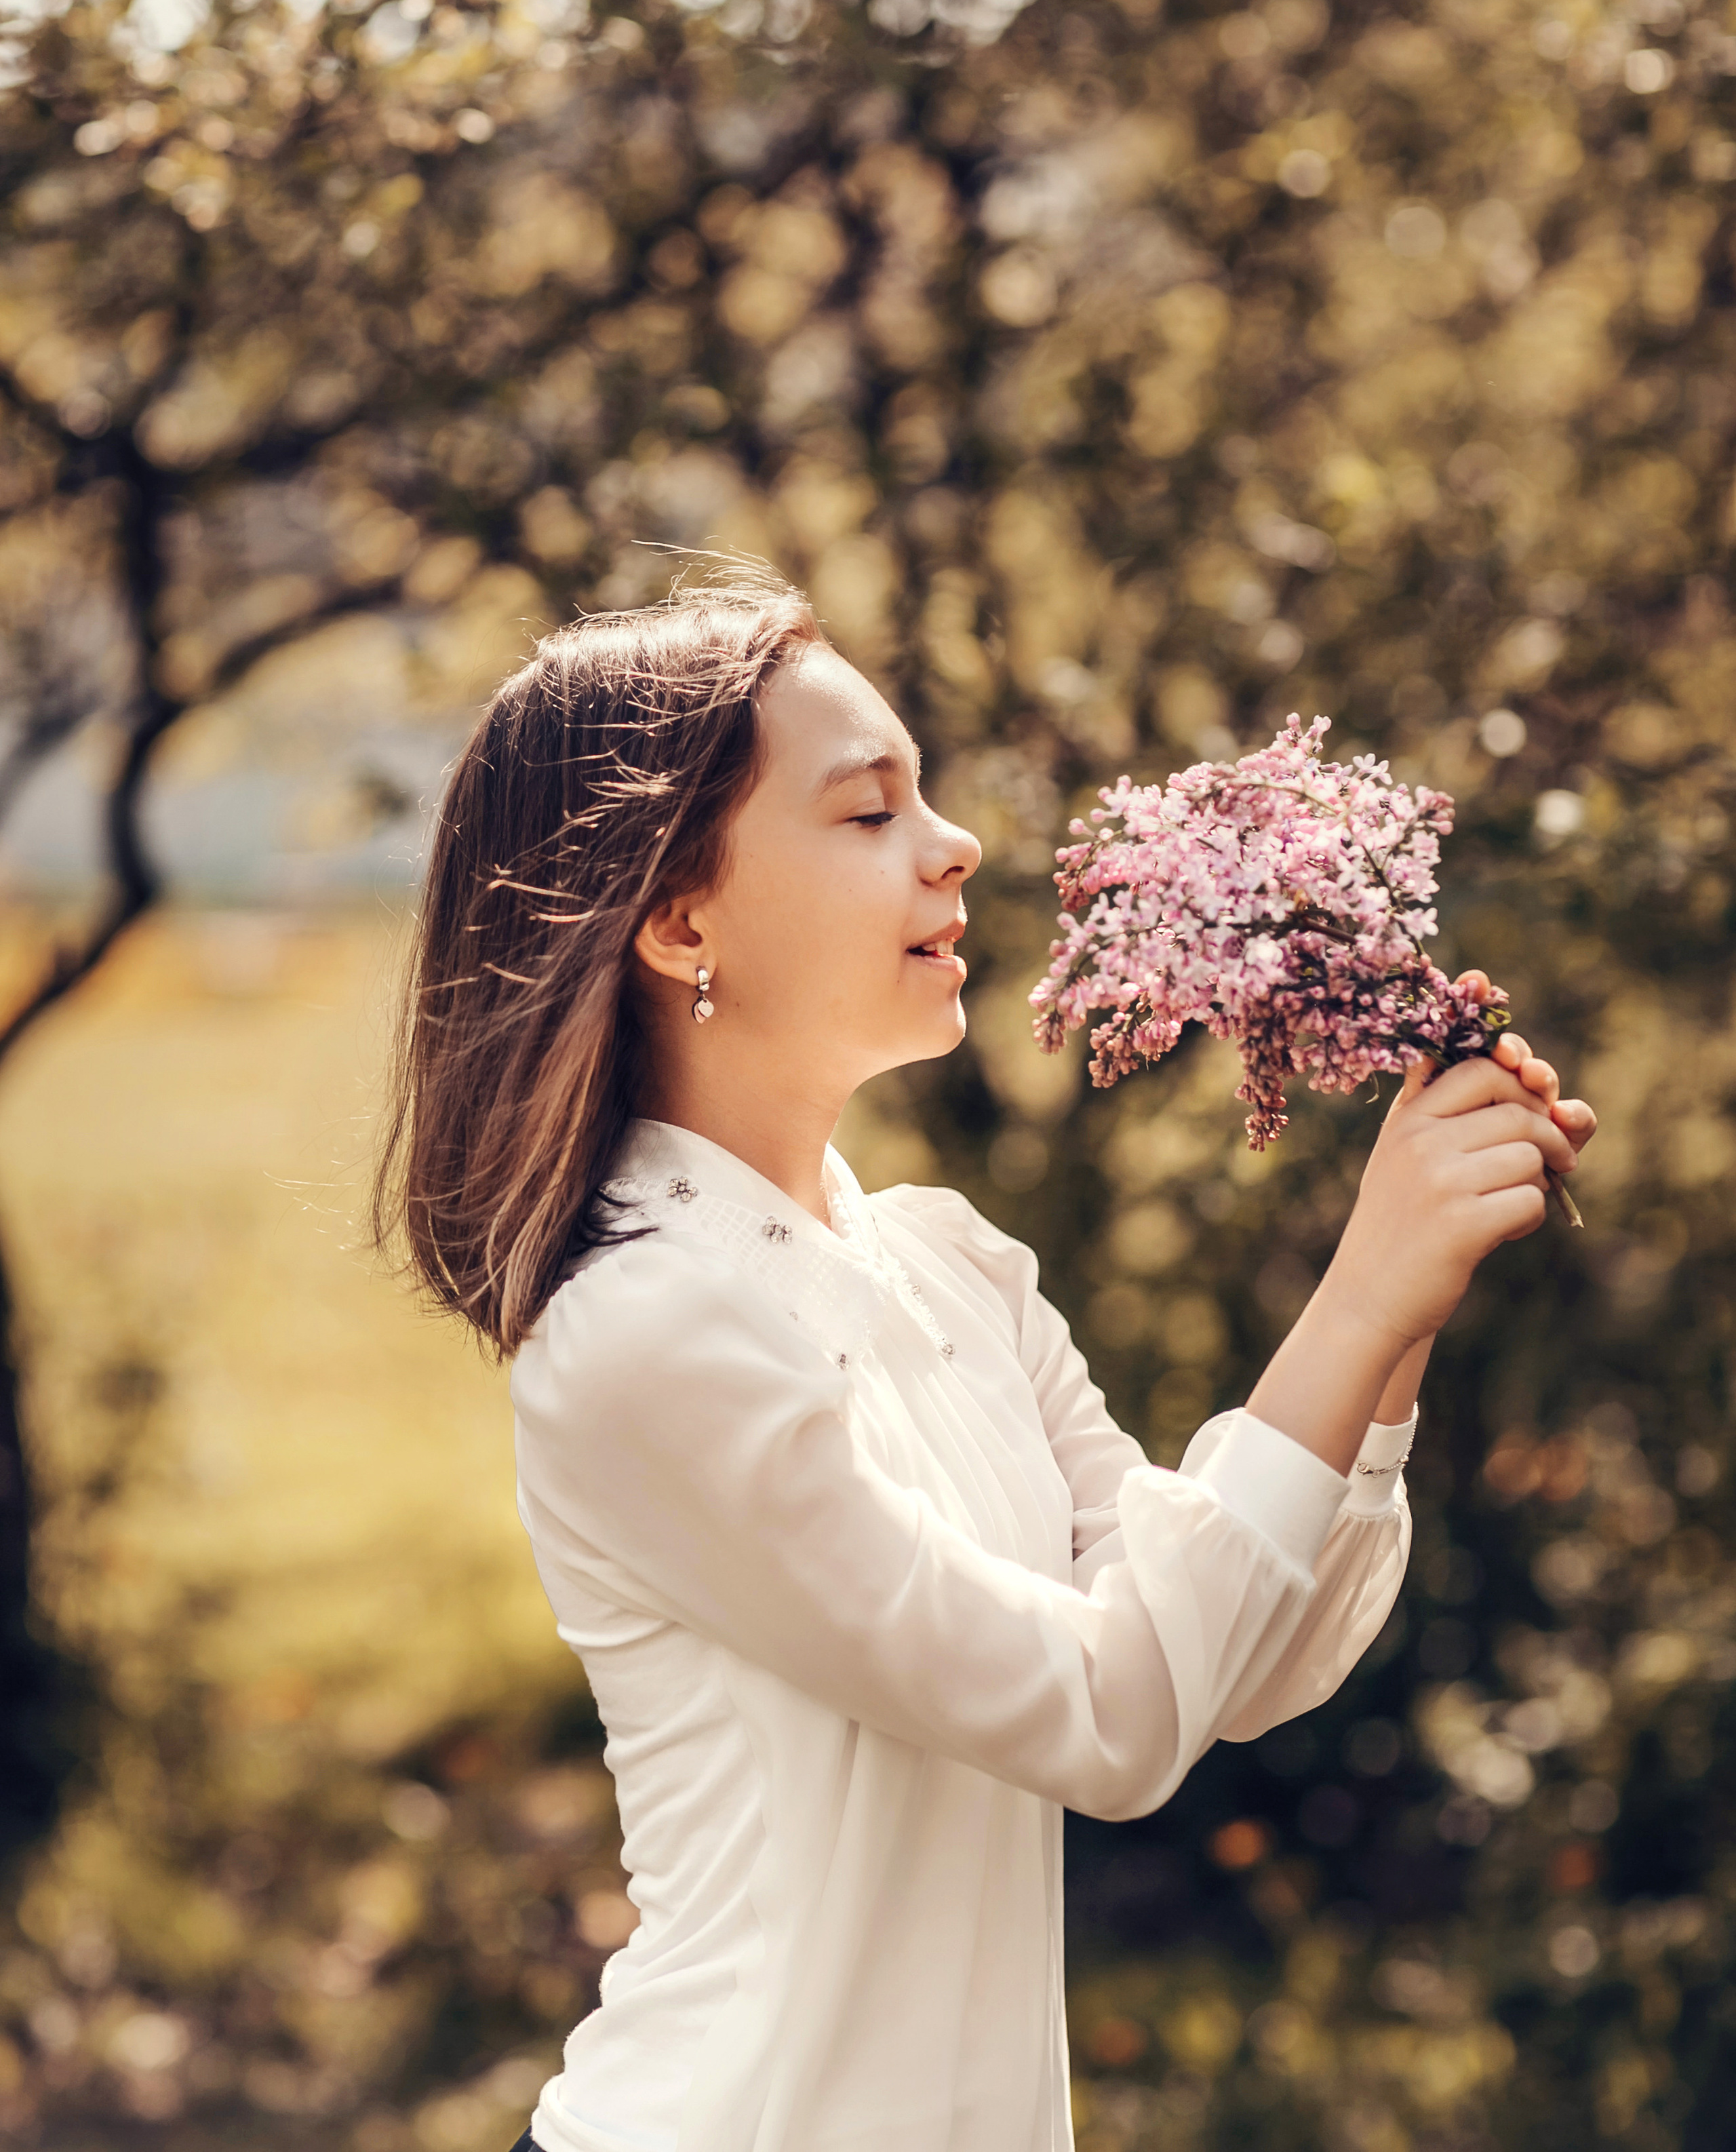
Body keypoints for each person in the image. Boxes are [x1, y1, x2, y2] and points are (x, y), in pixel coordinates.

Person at [373, 571, 1594, 2152]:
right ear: (680, 920)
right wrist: (1353, 1297)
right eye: (869, 812)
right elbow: (1108, 1721)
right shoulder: (644, 1334)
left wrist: (1400, 1325)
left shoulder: (949, 1260)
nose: (953, 844)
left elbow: (1232, 1662)